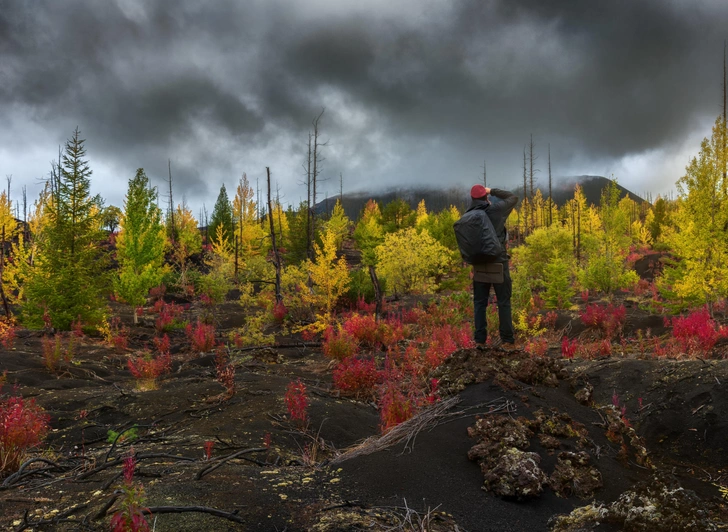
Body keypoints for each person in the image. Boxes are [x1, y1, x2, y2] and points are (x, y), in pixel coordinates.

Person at [468, 184, 518, 348]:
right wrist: (492, 190)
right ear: (485, 197)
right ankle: (507, 341)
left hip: (479, 265)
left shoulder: (468, 216)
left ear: (472, 199)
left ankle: (480, 341)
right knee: (503, 301)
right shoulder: (496, 211)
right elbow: (512, 197)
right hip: (498, 262)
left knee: (480, 303)